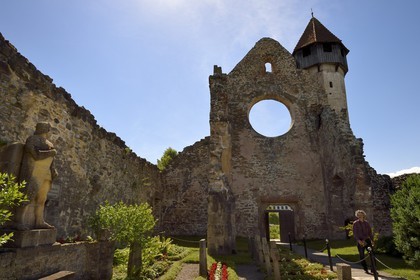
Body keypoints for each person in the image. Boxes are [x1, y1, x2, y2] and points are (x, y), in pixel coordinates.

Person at [14, 122, 57, 230]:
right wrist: (50, 153)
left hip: (46, 174)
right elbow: (35, 154)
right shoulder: (32, 139)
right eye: (48, 128)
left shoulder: (50, 143)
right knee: (27, 195)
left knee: (42, 199)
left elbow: (51, 161)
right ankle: (17, 221)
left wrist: (53, 170)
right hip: (33, 172)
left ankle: (39, 221)